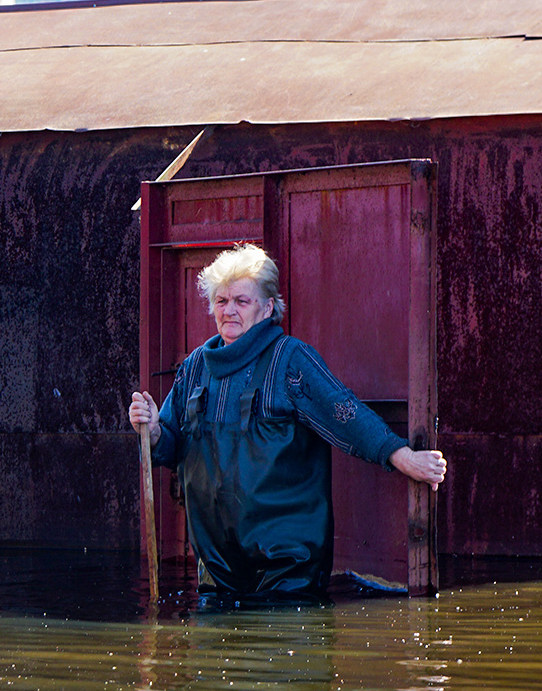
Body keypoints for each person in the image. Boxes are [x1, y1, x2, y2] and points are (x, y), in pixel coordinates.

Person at [128, 243, 447, 598]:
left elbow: (345, 415)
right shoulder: (195, 367)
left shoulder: (291, 361)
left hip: (287, 573)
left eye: (241, 301)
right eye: (221, 301)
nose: (229, 311)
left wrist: (404, 457)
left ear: (267, 308)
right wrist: (154, 430)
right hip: (218, 572)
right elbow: (170, 445)